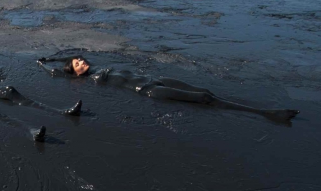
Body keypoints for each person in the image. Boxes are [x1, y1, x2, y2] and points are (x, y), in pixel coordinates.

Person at [37, 55, 299, 122]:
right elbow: (56, 73)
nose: (81, 62)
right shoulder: (90, 80)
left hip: (155, 80)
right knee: (204, 98)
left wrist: (55, 58)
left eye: (80, 59)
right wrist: (43, 64)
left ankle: (265, 112)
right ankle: (266, 113)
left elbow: (66, 61)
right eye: (76, 64)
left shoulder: (96, 70)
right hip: (148, 90)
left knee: (205, 89)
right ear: (73, 73)